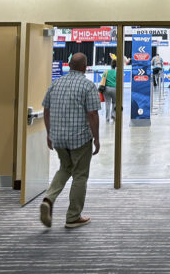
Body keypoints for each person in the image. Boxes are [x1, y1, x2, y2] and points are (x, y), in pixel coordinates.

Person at [39, 53, 101, 229]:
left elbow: (46, 110)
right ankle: (73, 216)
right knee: (80, 175)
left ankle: (48, 199)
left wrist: (49, 133)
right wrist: (96, 138)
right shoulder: (88, 85)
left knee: (65, 168)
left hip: (58, 137)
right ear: (85, 67)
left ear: (69, 65)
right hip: (79, 138)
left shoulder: (56, 83)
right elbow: (92, 114)